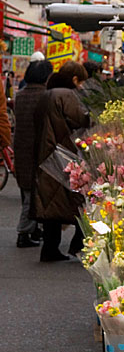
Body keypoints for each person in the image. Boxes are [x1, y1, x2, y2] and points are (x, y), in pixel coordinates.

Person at [32, 61, 90, 261]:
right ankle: (78, 245)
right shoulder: (66, 95)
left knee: (51, 205)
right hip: (63, 155)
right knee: (80, 202)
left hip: (46, 154)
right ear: (74, 79)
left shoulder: (47, 94)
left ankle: (50, 249)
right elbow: (79, 119)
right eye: (81, 81)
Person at [13, 60, 54, 248]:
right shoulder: (46, 96)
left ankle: (32, 230)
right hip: (38, 149)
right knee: (32, 197)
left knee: (27, 192)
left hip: (21, 148)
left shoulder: (19, 96)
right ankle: (23, 232)